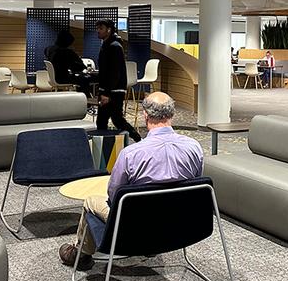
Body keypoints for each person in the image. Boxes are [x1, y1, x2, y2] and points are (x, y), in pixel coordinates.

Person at [58, 92, 203, 269]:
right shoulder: (194, 147)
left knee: (91, 201)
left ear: (145, 115)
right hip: (181, 224)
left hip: (138, 223)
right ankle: (153, 246)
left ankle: (81, 255)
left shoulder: (131, 154)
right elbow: (195, 185)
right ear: (172, 115)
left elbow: (114, 195)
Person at [95, 19, 141, 143]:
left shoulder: (114, 46)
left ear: (109, 30)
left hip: (113, 90)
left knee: (115, 119)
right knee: (105, 119)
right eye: (97, 28)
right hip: (108, 89)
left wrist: (106, 93)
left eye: (101, 28)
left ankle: (137, 139)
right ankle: (103, 146)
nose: (98, 31)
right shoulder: (107, 44)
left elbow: (114, 72)